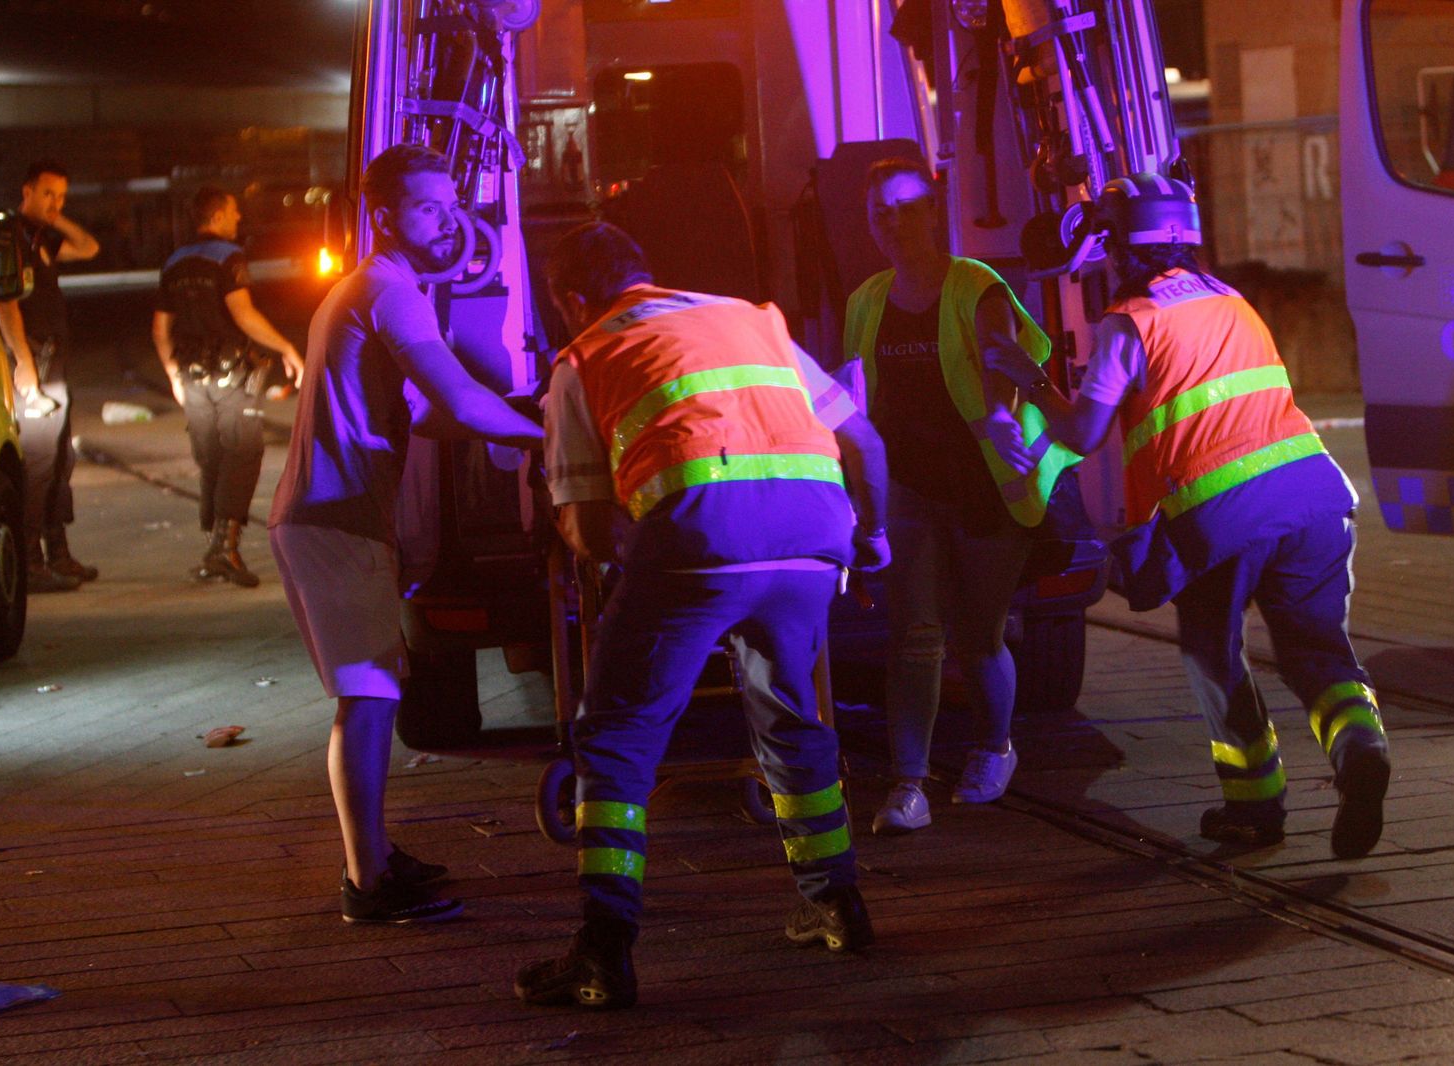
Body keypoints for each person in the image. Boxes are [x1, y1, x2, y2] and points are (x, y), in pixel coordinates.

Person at [517, 222, 890, 1011]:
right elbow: (865, 443)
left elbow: (589, 532)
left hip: (698, 539)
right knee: (792, 718)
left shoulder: (583, 357)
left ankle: (603, 949)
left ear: (573, 300)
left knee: (616, 737)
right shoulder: (754, 321)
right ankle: (837, 903)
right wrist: (874, 538)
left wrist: (618, 550)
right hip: (814, 536)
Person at [987, 172, 1391, 859]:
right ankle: (1361, 748)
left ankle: (1254, 805)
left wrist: (1031, 377)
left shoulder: (1130, 322)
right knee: (1317, 649)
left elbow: (1081, 432)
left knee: (1211, 652)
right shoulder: (1231, 301)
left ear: (1120, 247)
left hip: (1222, 517)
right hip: (1315, 498)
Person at [268, 144, 544, 924]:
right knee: (368, 696)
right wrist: (544, 431)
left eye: (452, 204)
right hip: (335, 517)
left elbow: (423, 414)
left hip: (335, 514)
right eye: (428, 207)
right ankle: (368, 884)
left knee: (373, 691)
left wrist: (508, 417)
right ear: (386, 216)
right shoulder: (389, 291)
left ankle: (377, 856)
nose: (450, 220)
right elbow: (455, 401)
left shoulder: (373, 288)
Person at [841, 158, 1075, 836]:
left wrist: (1000, 415)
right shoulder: (866, 300)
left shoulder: (975, 286)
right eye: (880, 212)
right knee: (913, 635)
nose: (893, 222)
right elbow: (855, 397)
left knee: (979, 634)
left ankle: (993, 747)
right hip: (908, 489)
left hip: (985, 488)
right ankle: (908, 783)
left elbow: (1002, 357)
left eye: (906, 207)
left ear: (933, 209)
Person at [153, 185, 305, 587]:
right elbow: (244, 315)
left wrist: (173, 375)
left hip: (192, 377)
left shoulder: (174, 261)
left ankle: (213, 549)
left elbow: (160, 328)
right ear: (217, 215)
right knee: (242, 453)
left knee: (211, 459)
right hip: (230, 377)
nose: (238, 218)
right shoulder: (228, 257)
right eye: (234, 211)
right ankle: (227, 550)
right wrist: (287, 347)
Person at [0, 159, 101, 593]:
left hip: (52, 362)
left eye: (61, 197)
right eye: (48, 194)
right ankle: (30, 562)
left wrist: (56, 217)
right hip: (32, 364)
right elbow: (5, 303)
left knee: (59, 461)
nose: (56, 203)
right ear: (27, 191)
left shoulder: (41, 238)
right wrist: (22, 363)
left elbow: (89, 247)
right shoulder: (11, 238)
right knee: (37, 464)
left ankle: (58, 553)